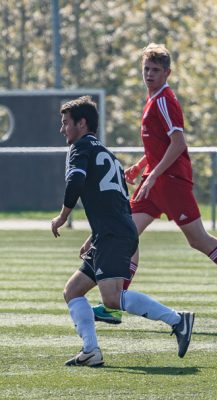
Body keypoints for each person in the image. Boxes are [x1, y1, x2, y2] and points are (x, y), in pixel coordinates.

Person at [92, 43, 217, 328]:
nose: (149, 74)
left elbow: (178, 144)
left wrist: (151, 175)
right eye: (146, 69)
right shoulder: (152, 100)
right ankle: (115, 302)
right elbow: (159, 147)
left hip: (172, 183)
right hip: (156, 182)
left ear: (167, 72)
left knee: (198, 239)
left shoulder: (164, 100)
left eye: (156, 70)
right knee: (126, 234)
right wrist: (141, 166)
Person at [51, 96, 194, 367]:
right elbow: (115, 201)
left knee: (112, 298)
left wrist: (62, 216)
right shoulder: (108, 155)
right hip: (113, 232)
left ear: (82, 124)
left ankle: (178, 320)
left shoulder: (81, 148)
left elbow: (76, 182)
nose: (63, 130)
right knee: (73, 291)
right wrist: (94, 236)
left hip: (114, 234)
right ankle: (91, 351)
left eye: (66, 123)